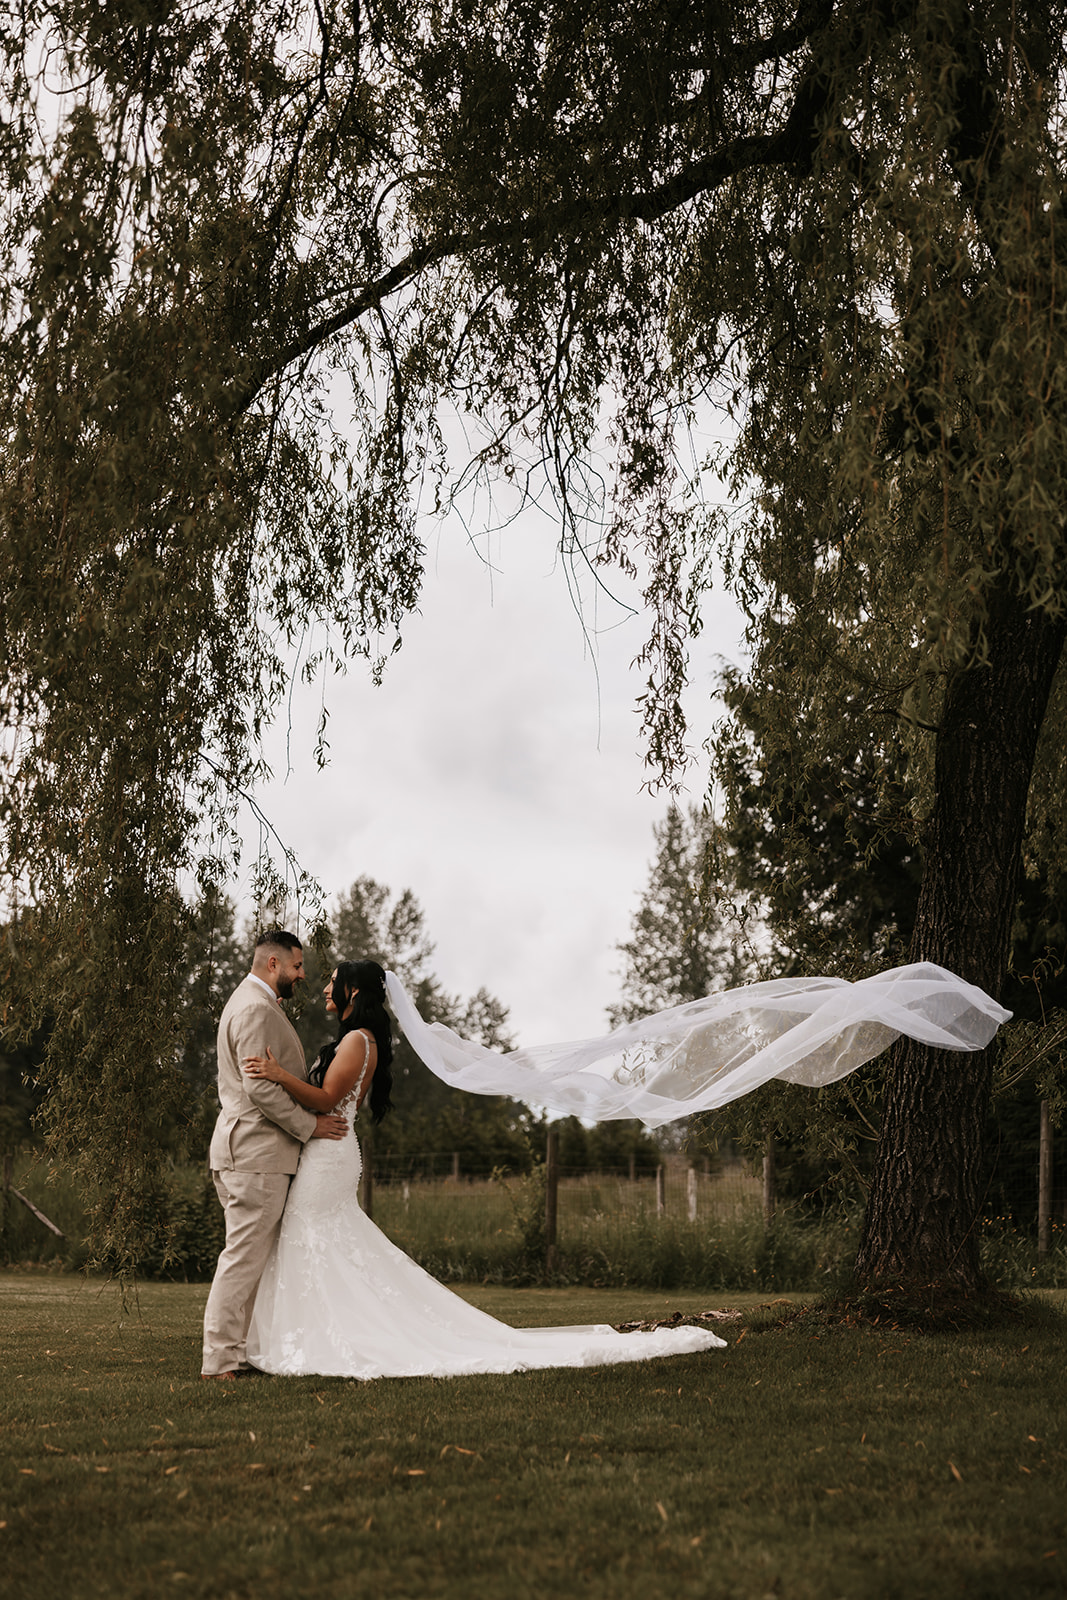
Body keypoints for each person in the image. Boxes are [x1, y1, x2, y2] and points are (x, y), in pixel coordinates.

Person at [242, 959, 729, 1378]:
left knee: (317, 1235)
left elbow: (328, 1099)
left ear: (354, 991)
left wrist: (279, 1075)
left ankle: (332, 1335)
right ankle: (320, 1329)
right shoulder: (353, 1039)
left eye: (332, 981)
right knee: (324, 1241)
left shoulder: (358, 1041)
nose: (325, 988)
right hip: (328, 1151)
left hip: (329, 1155)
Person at [200, 930, 349, 1381]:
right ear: (273, 964)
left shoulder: (252, 1003)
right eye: (297, 966)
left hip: (247, 1151)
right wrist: (310, 1126)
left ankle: (240, 1355)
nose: (302, 975)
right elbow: (259, 1087)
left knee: (252, 1259)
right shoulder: (254, 1008)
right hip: (255, 1155)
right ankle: (220, 1361)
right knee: (242, 1259)